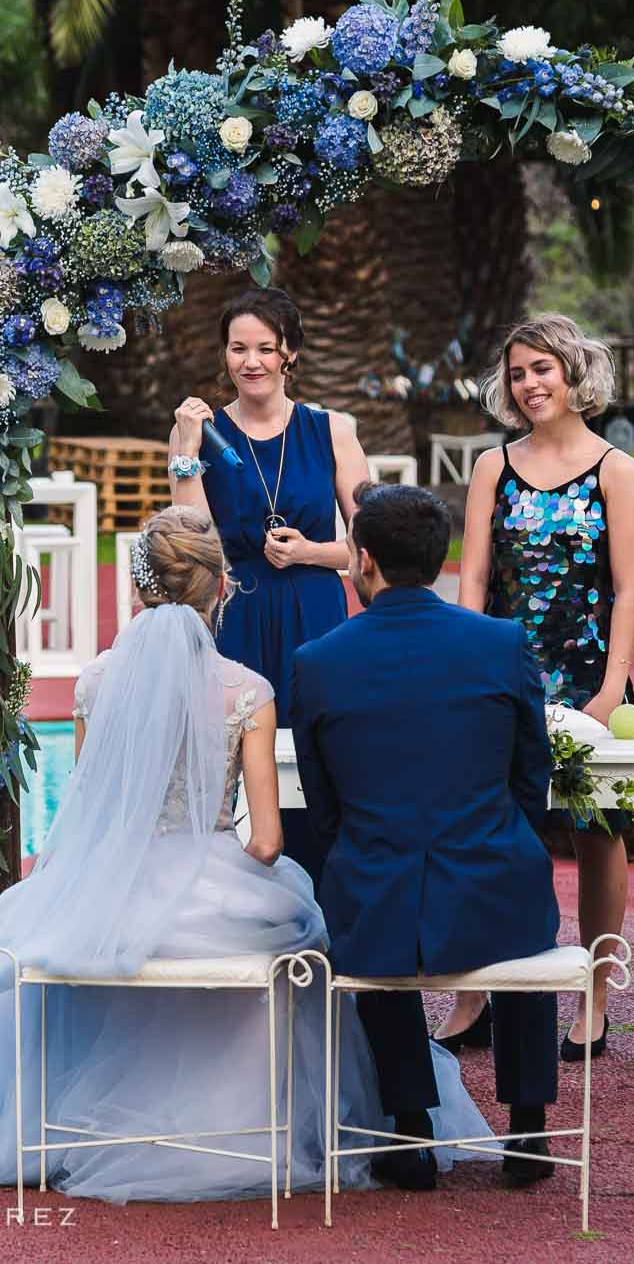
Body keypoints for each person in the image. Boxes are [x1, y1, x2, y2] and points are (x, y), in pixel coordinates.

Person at [0, 506, 486, 1201]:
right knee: (304, 940)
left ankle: (85, 1120)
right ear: (221, 587)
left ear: (140, 587)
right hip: (216, 886)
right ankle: (262, 1121)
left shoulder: (95, 683)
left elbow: (90, 813)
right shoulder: (247, 691)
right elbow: (268, 841)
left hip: (115, 889)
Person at [289, 483, 562, 1190]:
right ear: (439, 561)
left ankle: (409, 1129)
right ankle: (528, 1123)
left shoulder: (318, 661)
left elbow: (323, 803)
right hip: (495, 885)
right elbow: (532, 773)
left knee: (368, 893)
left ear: (364, 559)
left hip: (376, 890)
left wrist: (368, 848)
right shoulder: (502, 643)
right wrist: (502, 840)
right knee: (525, 890)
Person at [437, 314, 634, 1062]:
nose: (529, 384)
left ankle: (594, 997)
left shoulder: (616, 470)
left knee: (598, 832)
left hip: (590, 678)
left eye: (542, 369)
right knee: (484, 830)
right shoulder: (493, 467)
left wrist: (611, 690)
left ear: (574, 372)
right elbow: (472, 579)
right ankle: (475, 995)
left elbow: (628, 590)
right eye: (518, 372)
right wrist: (465, 669)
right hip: (500, 677)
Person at [169, 289, 369, 865]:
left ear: (290, 354)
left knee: (317, 750)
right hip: (235, 613)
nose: (251, 361)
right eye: (238, 348)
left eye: (264, 348)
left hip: (315, 611)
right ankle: (232, 883)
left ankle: (320, 883)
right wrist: (187, 449)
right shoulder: (198, 432)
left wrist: (310, 551)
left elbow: (370, 548)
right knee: (225, 754)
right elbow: (190, 540)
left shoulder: (331, 430)